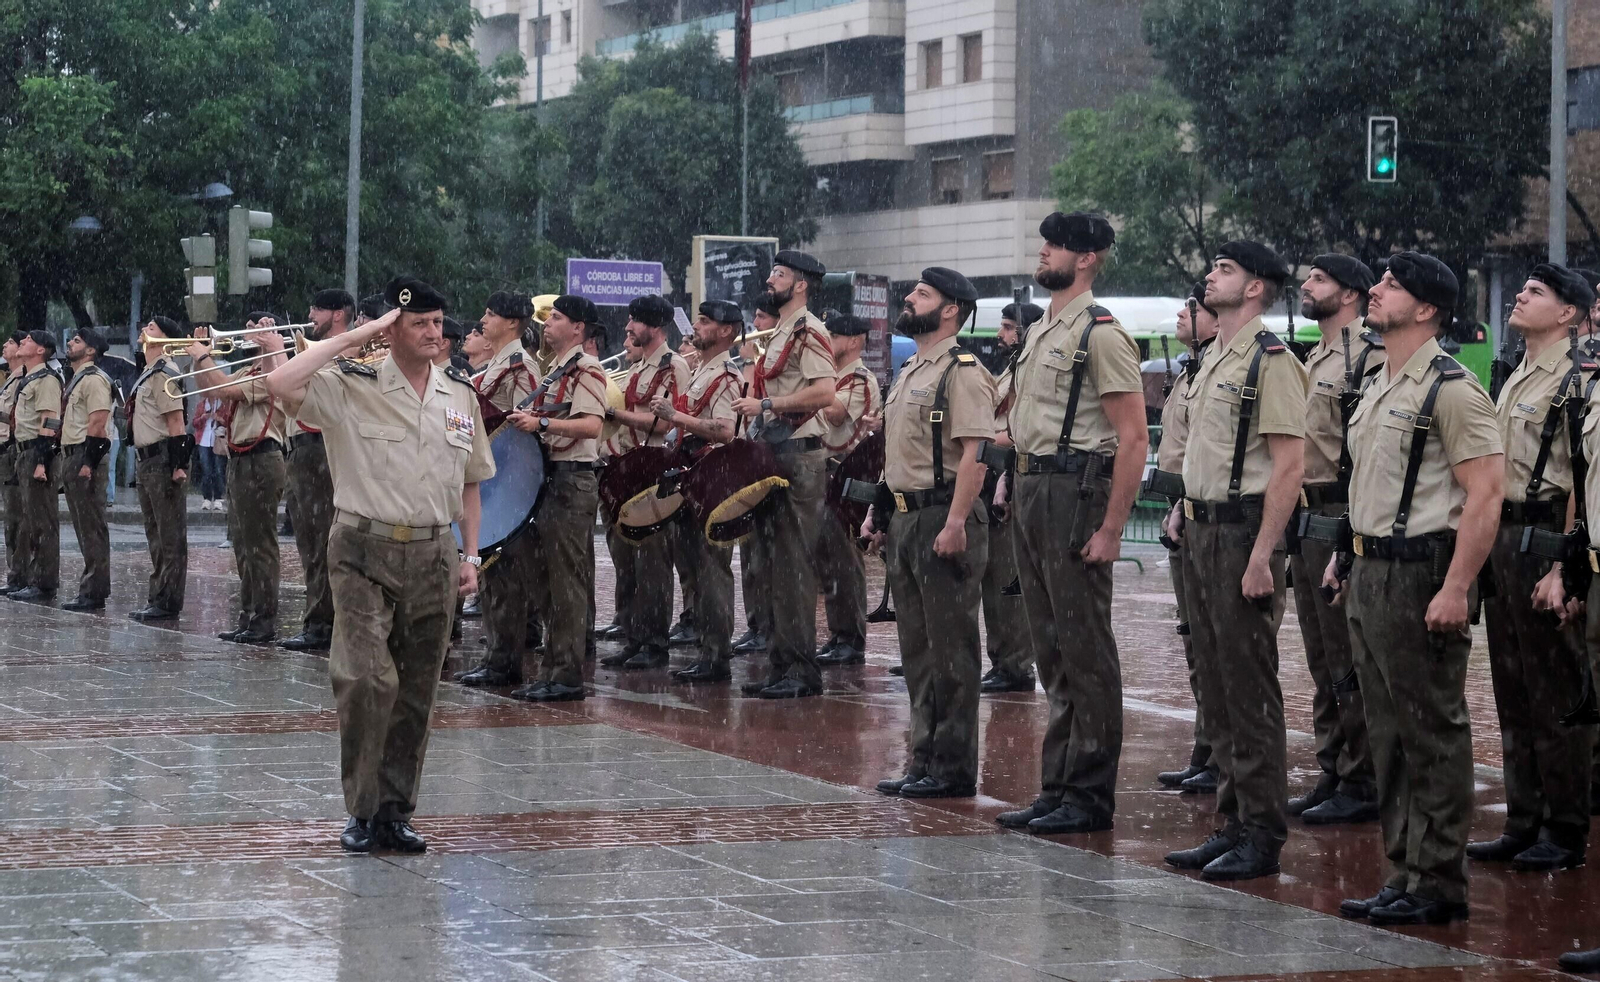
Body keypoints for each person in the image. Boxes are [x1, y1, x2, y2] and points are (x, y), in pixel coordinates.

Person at [266, 275, 492, 853]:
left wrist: (470, 554)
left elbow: (471, 484)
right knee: (368, 679)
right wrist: (357, 334)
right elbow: (279, 380)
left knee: (417, 690)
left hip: (433, 553)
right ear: (391, 329)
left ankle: (394, 812)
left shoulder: (459, 395)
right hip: (363, 548)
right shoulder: (351, 384)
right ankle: (363, 810)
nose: (434, 334)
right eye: (419, 323)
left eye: (438, 324)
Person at [1330, 253, 1501, 926]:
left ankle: (1438, 880)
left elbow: (1485, 494)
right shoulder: (1381, 383)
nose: (1375, 291)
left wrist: (1457, 586)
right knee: (1388, 730)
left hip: (1421, 573)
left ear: (1426, 309)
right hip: (1374, 568)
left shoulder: (1451, 388)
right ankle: (1404, 869)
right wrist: (1347, 557)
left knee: (1431, 729)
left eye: (1392, 286)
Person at [996, 213, 1148, 836]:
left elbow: (1134, 438)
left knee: (1084, 647)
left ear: (1086, 259)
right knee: (1051, 647)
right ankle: (1058, 784)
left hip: (1074, 490)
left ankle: (1089, 794)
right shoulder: (1042, 331)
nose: (1044, 251)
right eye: (1045, 242)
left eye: (1055, 246)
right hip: (1033, 486)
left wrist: (1112, 528)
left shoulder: (1101, 333)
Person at [1164, 241, 1307, 881]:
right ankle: (1233, 818)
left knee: (1248, 687)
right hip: (1200, 530)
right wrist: (1180, 509)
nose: (1209, 275)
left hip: (1241, 532)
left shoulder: (1270, 361)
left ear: (1255, 288)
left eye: (1224, 269)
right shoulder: (1215, 356)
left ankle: (1262, 832)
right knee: (1217, 686)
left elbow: (1289, 466)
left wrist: (1262, 555)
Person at [1470, 264, 1597, 872]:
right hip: (1506, 533)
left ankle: (1566, 828)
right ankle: (1524, 819)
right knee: (1513, 687)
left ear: (1570, 313)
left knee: (1556, 692)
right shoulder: (1516, 371)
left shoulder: (1578, 377)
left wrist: (1564, 564)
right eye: (1521, 288)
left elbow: (1581, 475)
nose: (1520, 295)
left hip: (1548, 533)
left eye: (1536, 292)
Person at [869, 267, 995, 798]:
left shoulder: (961, 371)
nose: (909, 298)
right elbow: (899, 451)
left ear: (950, 310)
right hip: (905, 517)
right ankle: (923, 758)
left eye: (921, 294)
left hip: (941, 515)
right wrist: (879, 511)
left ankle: (952, 766)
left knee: (951, 651)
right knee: (918, 650)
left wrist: (957, 521)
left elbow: (976, 454)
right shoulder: (909, 371)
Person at [1287, 255, 1383, 825]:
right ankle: (1334, 764)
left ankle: (1362, 775)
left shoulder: (1368, 356)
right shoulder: (1312, 359)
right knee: (1321, 653)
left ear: (1350, 294)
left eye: (1319, 280)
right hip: (1304, 515)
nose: (1306, 286)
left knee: (1347, 654)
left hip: (1338, 511)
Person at [730, 253, 839, 698]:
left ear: (800, 286)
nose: (770, 280)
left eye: (779, 275)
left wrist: (767, 406)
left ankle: (800, 671)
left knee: (794, 566)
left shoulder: (809, 330)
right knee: (773, 563)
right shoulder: (780, 333)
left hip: (799, 455)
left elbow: (825, 391)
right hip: (776, 453)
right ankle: (781, 664)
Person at [505, 295, 608, 702]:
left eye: (558, 318)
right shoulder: (557, 370)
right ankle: (553, 668)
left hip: (572, 481)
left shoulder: (588, 368)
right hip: (551, 482)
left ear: (579, 328)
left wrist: (541, 421)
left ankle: (566, 675)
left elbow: (592, 425)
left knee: (567, 582)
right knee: (546, 580)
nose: (546, 324)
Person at [651, 300, 747, 682]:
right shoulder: (700, 370)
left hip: (714, 474)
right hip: (694, 473)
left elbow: (726, 430)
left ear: (726, 331)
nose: (696, 327)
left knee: (712, 569)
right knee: (693, 566)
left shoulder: (724, 373)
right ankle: (705, 646)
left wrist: (676, 417)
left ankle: (716, 654)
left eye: (705, 322)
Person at [1152, 284, 1221, 791]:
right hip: (1188, 510)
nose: (1182, 313)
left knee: (1221, 647)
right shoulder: (1192, 371)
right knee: (1194, 640)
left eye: (1192, 308)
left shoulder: (1223, 370)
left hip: (1220, 519)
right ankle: (1208, 746)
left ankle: (1223, 754)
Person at [598, 294, 691, 670]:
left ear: (653, 327)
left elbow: (668, 423)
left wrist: (614, 414)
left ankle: (654, 642)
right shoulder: (638, 367)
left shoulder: (674, 365)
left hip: (655, 467)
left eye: (634, 321)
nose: (627, 328)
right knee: (632, 558)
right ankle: (636, 636)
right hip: (630, 466)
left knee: (654, 558)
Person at [185, 318, 290, 644]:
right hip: (242, 459)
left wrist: (204, 356)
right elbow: (208, 388)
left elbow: (222, 389)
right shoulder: (248, 371)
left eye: (256, 326)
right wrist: (198, 357)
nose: (246, 330)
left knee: (260, 546)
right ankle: (248, 615)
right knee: (244, 546)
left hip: (261, 458)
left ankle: (263, 620)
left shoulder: (270, 376)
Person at [456, 292, 539, 688]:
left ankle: (505, 660)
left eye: (491, 314)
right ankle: (496, 654)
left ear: (511, 322)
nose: (483, 320)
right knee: (490, 571)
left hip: (507, 482)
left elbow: (525, 430)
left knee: (505, 575)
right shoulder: (496, 364)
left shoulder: (521, 366)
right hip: (489, 477)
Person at [279, 290, 358, 652]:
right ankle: (318, 619)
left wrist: (281, 354)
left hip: (320, 448)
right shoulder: (315, 348)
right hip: (299, 449)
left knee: (323, 540)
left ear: (338, 314)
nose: (309, 313)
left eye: (317, 308)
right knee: (309, 541)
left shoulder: (345, 349)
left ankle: (323, 623)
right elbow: (280, 391)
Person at [981, 301, 1043, 693]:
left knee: (1007, 579)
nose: (1000, 335)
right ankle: (1003, 660)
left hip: (1010, 476)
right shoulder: (1010, 371)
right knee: (992, 579)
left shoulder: (1030, 373)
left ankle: (1016, 664)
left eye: (1008, 327)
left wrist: (979, 438)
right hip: (991, 475)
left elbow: (1018, 430)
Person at [814, 310, 883, 667]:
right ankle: (838, 634)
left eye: (834, 336)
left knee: (844, 560)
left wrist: (808, 391)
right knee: (827, 561)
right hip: (827, 475)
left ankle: (851, 638)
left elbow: (837, 414)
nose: (828, 341)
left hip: (845, 475)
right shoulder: (833, 376)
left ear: (854, 341)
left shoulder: (857, 377)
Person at [129, 317, 193, 622]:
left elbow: (176, 422)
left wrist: (179, 466)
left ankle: (168, 601)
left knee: (169, 535)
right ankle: (158, 596)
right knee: (155, 533)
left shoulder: (165, 372)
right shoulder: (149, 372)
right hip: (147, 460)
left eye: (152, 328)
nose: (144, 331)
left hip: (162, 460)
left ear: (166, 339)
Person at [733, 293, 784, 655]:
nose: (756, 327)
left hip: (769, 459)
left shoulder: (769, 365)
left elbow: (760, 411)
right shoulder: (754, 363)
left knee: (768, 556)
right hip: (747, 460)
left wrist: (754, 365)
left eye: (763, 319)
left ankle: (769, 627)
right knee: (749, 555)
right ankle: (756, 625)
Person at [59, 328, 115, 611]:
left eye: (77, 341)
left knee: (92, 526)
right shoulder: (78, 380)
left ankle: (94, 591)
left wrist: (88, 463)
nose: (70, 343)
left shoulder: (94, 380)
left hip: (86, 454)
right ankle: (91, 587)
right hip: (73, 454)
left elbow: (98, 423)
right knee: (84, 527)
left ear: (91, 351)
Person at [4, 331, 63, 602]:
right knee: (31, 519)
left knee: (43, 522)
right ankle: (31, 579)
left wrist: (42, 461)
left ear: (41, 350)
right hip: (22, 452)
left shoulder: (47, 380)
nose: (22, 342)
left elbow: (50, 421)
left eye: (28, 340)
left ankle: (44, 583)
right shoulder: (29, 379)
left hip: (36, 454)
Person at [0, 334, 25, 593]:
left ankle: (21, 576)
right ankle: (16, 575)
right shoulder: (10, 379)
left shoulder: (24, 381)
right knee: (11, 519)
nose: (4, 346)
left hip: (15, 453)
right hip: (6, 454)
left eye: (9, 343)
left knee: (19, 519)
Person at [192, 392, 227, 510]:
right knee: (206, 470)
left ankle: (218, 497)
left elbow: (229, 422)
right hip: (204, 441)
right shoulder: (202, 405)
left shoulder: (223, 405)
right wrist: (202, 418)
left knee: (218, 470)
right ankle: (206, 498)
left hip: (218, 441)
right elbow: (194, 423)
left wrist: (219, 419)